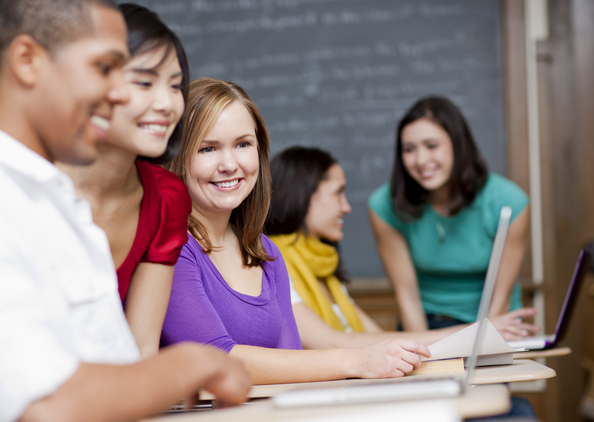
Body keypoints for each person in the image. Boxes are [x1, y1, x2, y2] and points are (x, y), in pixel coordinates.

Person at [0, 0, 249, 422]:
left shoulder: (56, 202)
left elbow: (106, 368)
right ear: (27, 61)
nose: (119, 96)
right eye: (104, 69)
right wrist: (186, 366)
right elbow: (44, 417)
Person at [161, 78, 431, 385]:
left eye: (243, 145)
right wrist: (357, 360)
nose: (229, 164)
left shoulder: (266, 252)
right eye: (208, 148)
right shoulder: (172, 245)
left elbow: (292, 359)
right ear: (178, 158)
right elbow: (213, 359)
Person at [265, 146, 538, 349]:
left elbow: (373, 339)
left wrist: (476, 333)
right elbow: (334, 343)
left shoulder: (322, 267)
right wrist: (475, 332)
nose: (347, 207)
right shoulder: (272, 262)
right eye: (338, 193)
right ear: (303, 194)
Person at [59, 3, 190, 359]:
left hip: (97, 402)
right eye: (145, 82)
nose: (166, 103)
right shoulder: (35, 187)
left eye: (176, 86)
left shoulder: (166, 198)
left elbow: (141, 350)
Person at [368, 96, 531, 332]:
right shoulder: (385, 205)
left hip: (494, 322)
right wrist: (424, 356)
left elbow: (500, 299)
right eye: (409, 150)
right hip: (426, 325)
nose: (421, 160)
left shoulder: (509, 202)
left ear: (458, 144)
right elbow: (407, 297)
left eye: (431, 146)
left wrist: (481, 343)